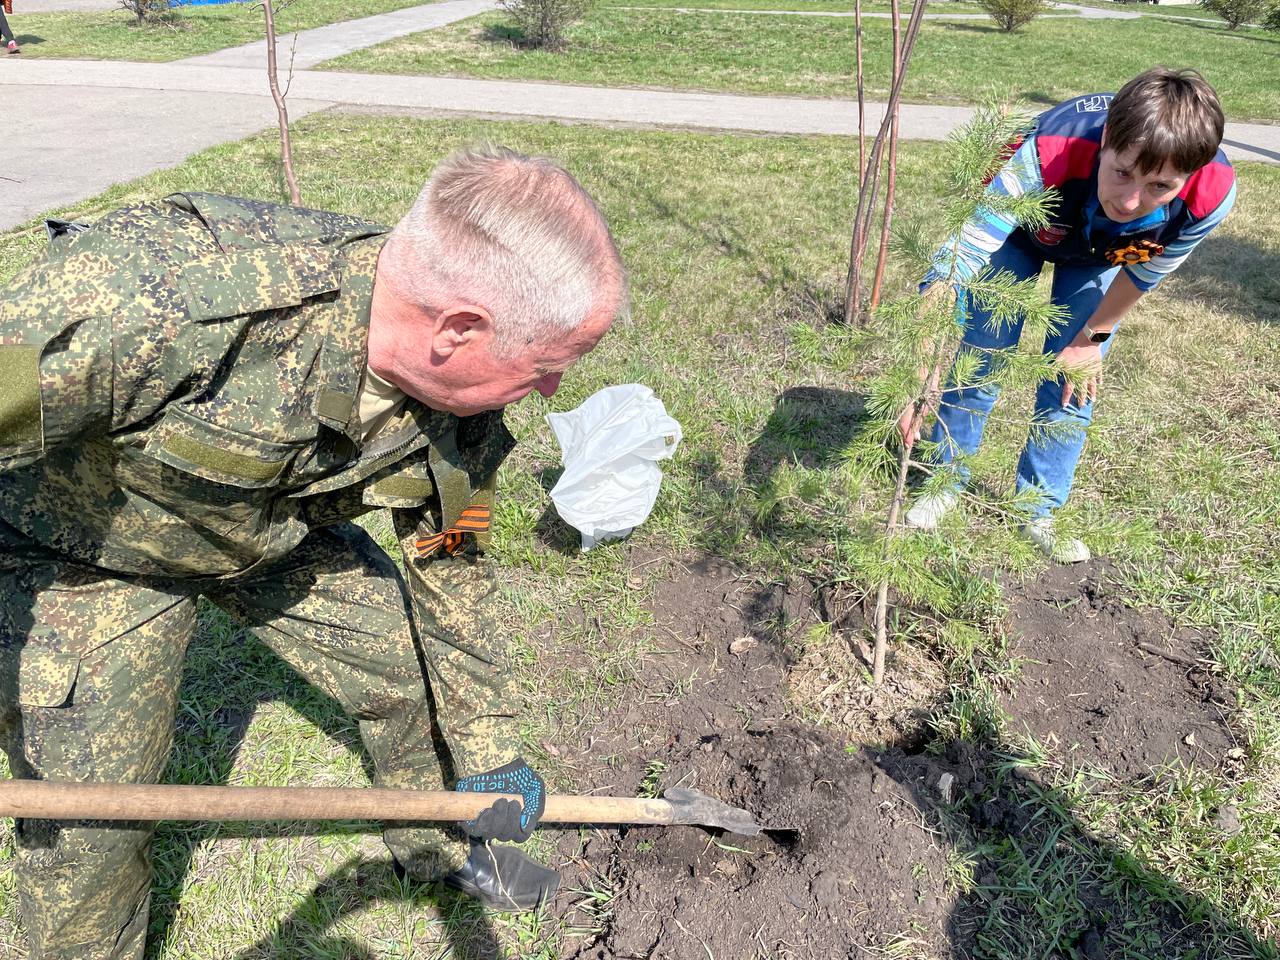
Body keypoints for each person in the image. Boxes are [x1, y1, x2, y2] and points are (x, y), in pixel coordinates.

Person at [0, 145, 627, 958]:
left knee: (404, 664)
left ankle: (443, 843)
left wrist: (489, 750)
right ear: (459, 329)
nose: (550, 392)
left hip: (265, 534)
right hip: (89, 551)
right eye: (546, 367)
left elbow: (449, 560)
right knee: (96, 819)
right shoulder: (143, 302)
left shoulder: (463, 409)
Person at [900, 68, 1235, 563]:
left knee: (1072, 379)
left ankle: (1038, 509)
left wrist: (1089, 339)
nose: (1130, 200)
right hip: (1019, 235)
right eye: (1122, 171)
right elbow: (958, 262)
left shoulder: (1211, 195)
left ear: (1191, 175)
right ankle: (943, 481)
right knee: (983, 355)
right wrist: (916, 372)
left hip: (1106, 256)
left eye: (1159, 186)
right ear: (1105, 141)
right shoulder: (1046, 149)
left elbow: (1146, 275)